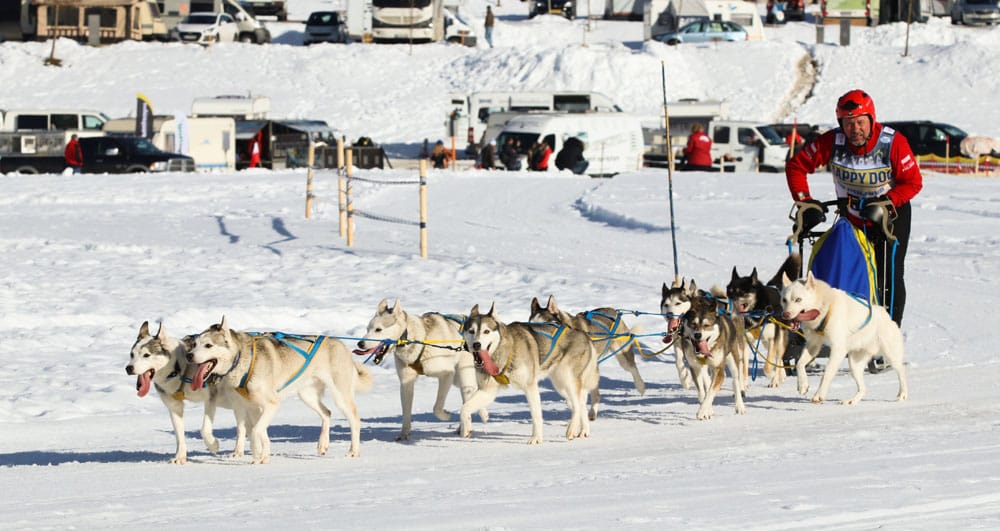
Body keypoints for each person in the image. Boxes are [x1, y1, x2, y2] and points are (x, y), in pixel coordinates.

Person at [786, 89, 923, 328]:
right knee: (840, 270)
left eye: (860, 122)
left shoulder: (892, 142)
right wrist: (804, 201)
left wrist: (887, 202)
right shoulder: (833, 141)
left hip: (890, 218)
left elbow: (913, 182)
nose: (855, 129)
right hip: (852, 218)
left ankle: (888, 331)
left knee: (887, 275)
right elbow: (797, 167)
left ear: (871, 119)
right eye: (848, 124)